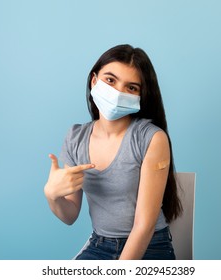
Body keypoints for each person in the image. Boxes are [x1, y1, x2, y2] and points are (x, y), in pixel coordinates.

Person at [44, 44, 182, 260]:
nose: (118, 92)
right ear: (94, 81)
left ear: (140, 96)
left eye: (131, 88)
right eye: (110, 80)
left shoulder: (152, 138)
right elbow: (69, 215)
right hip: (100, 245)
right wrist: (52, 195)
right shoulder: (76, 138)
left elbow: (143, 227)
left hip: (151, 247)